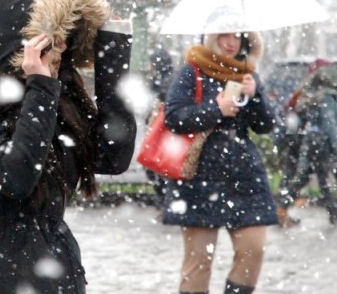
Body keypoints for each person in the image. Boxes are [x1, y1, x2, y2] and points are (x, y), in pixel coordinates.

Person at [0, 0, 137, 294]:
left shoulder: (59, 101)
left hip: (52, 265)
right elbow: (16, 177)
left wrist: (112, 57)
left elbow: (111, 157)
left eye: (62, 41)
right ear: (19, 43)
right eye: (47, 42)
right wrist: (41, 89)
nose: (58, 51)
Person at [161, 30, 278, 294]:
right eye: (223, 35)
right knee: (198, 261)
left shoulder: (248, 73)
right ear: (211, 38)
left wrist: (255, 94)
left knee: (253, 250)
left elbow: (265, 126)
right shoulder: (193, 70)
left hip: (244, 174)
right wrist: (216, 110)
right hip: (199, 173)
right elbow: (175, 117)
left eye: (237, 36)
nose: (230, 42)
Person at [276, 64, 337, 225]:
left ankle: (282, 206)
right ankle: (333, 213)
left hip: (309, 140)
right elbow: (330, 126)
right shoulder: (327, 97)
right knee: (320, 178)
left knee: (309, 177)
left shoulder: (312, 95)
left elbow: (297, 121)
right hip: (321, 142)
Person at [144, 46, 175, 210]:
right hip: (164, 131)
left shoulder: (163, 81)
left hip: (162, 130)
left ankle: (165, 202)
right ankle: (166, 202)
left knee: (155, 166)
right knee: (159, 167)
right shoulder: (166, 78)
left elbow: (156, 104)